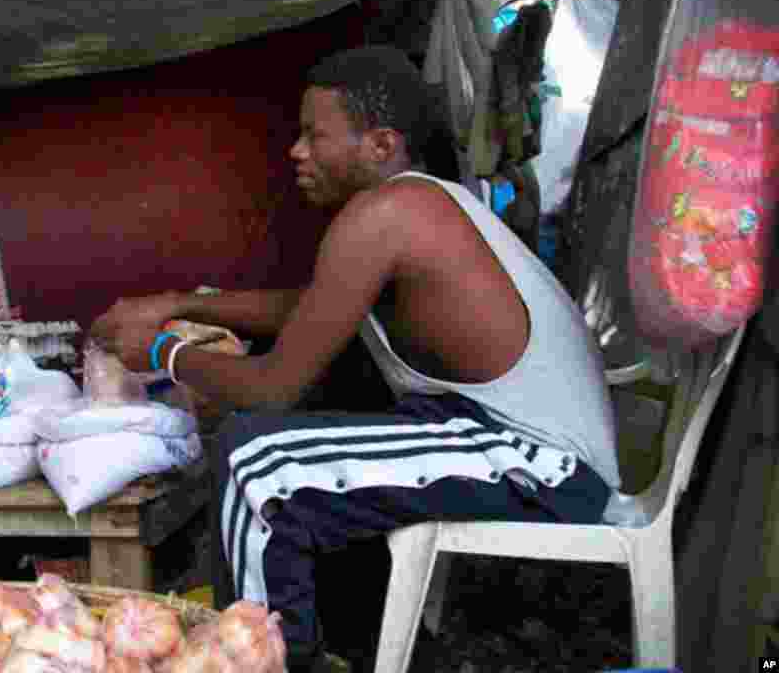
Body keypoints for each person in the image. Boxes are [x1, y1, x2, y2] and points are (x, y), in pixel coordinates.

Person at [89, 45, 621, 673]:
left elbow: (272, 389)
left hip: (543, 465)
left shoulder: (387, 214)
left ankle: (261, 660)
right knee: (273, 447)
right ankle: (293, 648)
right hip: (507, 443)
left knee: (257, 464)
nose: (297, 151)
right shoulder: (411, 207)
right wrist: (178, 304)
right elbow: (309, 308)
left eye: (314, 135)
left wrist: (161, 351)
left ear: (381, 144)